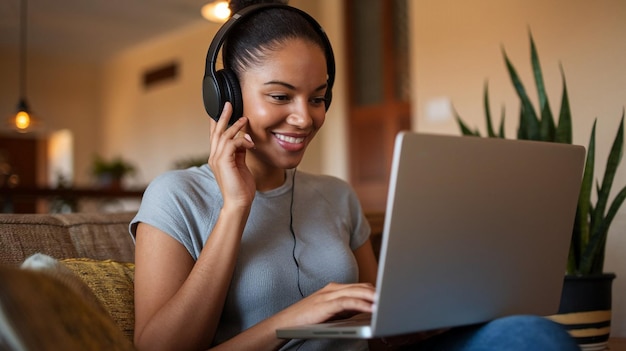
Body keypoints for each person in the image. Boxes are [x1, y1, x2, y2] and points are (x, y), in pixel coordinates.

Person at [129, 1, 581, 350]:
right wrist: (236, 207)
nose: (304, 118)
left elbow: (378, 323)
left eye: (318, 97)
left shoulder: (337, 196)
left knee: (531, 335)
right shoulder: (176, 196)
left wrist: (433, 312)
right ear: (224, 97)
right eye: (281, 96)